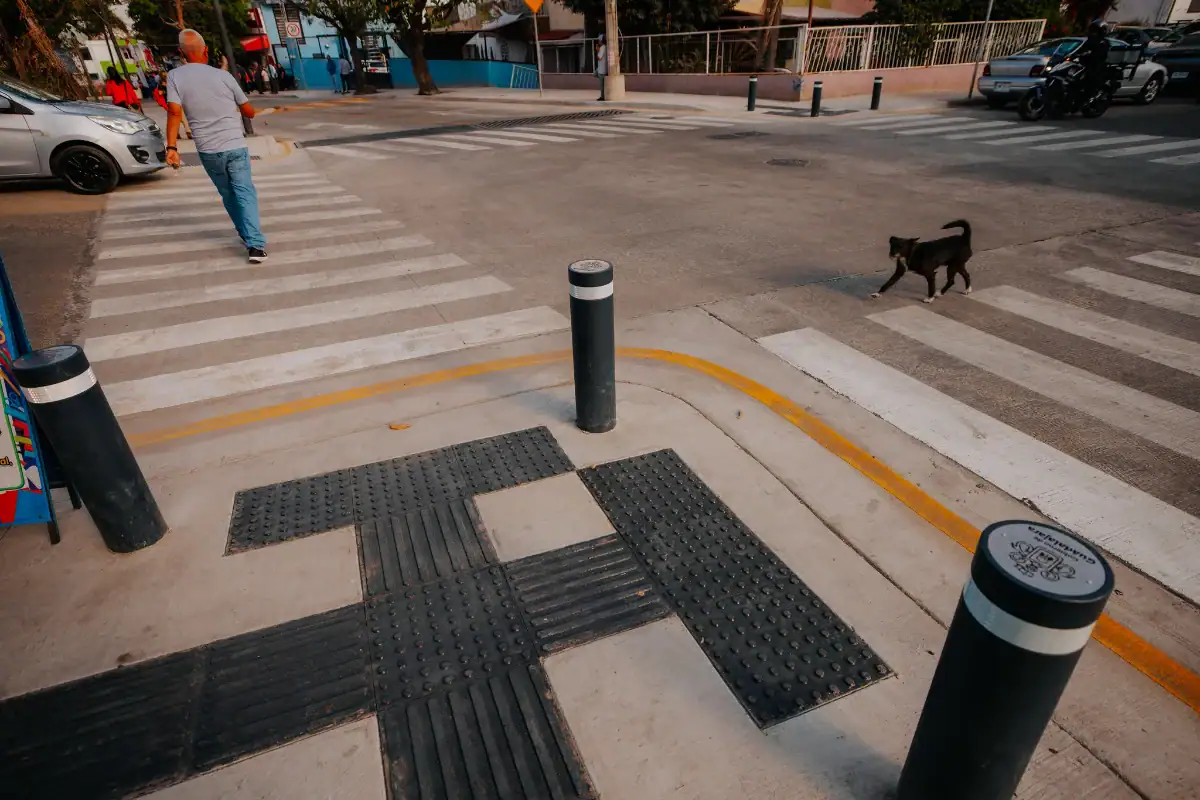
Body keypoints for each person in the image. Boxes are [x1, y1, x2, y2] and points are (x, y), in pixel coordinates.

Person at [165, 29, 267, 264]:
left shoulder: (175, 77)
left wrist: (172, 147)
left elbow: (174, 111)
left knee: (228, 193)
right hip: (235, 145)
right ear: (206, 50)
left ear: (181, 53)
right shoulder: (225, 77)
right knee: (245, 192)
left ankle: (245, 234)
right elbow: (248, 111)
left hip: (208, 150)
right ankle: (255, 246)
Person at [1072, 20, 1111, 101]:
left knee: (1091, 78)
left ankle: (1087, 97)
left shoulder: (1103, 42)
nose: (1093, 32)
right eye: (1092, 30)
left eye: (1096, 30)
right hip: (1083, 64)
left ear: (1102, 31)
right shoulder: (1087, 40)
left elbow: (1101, 53)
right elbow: (1079, 49)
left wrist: (1090, 53)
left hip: (1095, 66)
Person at [595, 36, 607, 102]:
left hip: (602, 69)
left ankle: (602, 96)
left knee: (602, 84)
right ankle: (603, 95)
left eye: (599, 40)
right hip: (602, 68)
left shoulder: (602, 48)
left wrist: (597, 50)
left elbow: (599, 57)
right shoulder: (606, 47)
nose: (598, 41)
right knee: (595, 73)